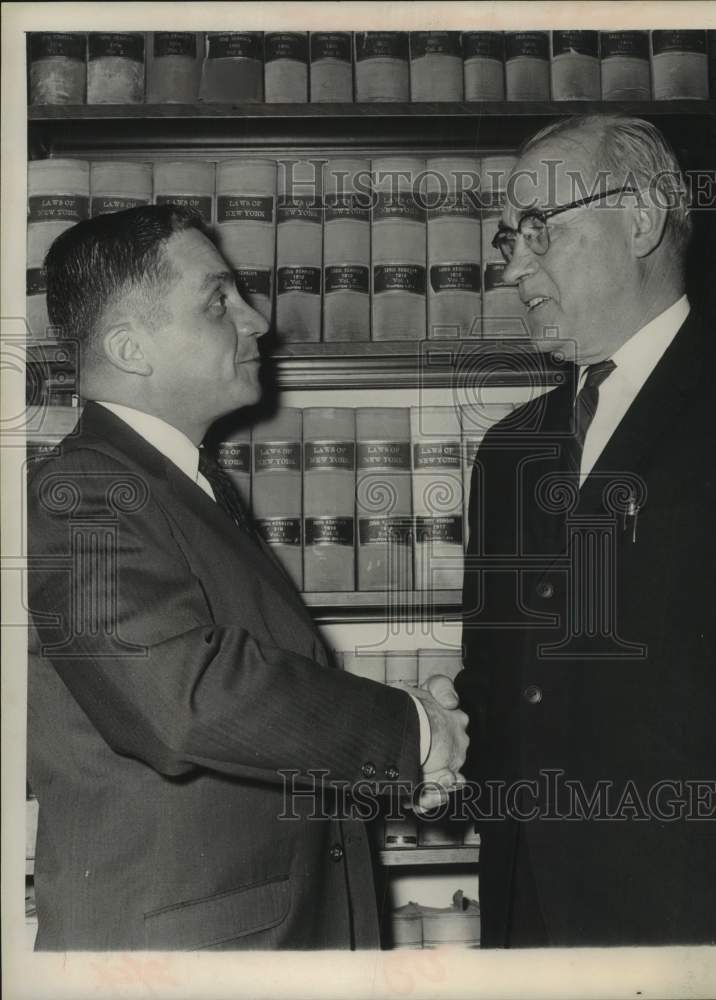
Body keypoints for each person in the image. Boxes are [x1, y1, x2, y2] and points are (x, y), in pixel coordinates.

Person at [26, 205, 468, 950]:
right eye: (217, 301)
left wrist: (399, 759)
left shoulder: (180, 484)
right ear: (130, 348)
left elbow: (254, 723)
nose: (258, 320)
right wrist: (411, 731)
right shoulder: (81, 493)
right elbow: (185, 696)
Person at [457, 115, 716, 947]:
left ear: (642, 218)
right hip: (523, 906)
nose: (512, 268)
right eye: (510, 239)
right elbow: (503, 679)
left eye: (540, 231)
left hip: (691, 916)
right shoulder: (508, 452)